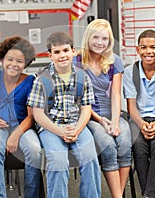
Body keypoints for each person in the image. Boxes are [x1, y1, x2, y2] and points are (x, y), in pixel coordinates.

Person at [28, 31, 101, 198]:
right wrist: (61, 132)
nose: (62, 55)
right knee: (59, 162)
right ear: (50, 55)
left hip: (77, 125)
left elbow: (86, 108)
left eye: (66, 50)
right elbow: (38, 115)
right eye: (57, 52)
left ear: (73, 51)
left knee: (90, 159)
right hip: (51, 128)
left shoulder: (82, 76)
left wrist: (76, 130)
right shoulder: (41, 79)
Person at [75, 18, 132, 198]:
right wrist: (102, 121)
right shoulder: (77, 61)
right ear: (88, 38)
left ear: (110, 41)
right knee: (108, 146)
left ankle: (118, 195)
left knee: (124, 144)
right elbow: (81, 101)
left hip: (113, 113)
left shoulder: (114, 61)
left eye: (105, 39)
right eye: (96, 38)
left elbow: (116, 95)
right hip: (90, 115)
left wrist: (115, 122)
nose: (100, 43)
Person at [0, 36, 42, 198]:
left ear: (26, 63)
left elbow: (31, 116)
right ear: (2, 59)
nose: (14, 65)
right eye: (9, 59)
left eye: (19, 61)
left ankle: (31, 195)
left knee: (35, 151)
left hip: (22, 127)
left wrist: (15, 135)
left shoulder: (31, 81)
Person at [123, 29, 155, 198]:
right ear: (137, 50)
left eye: (153, 47)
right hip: (138, 119)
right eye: (143, 48)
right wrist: (142, 124)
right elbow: (131, 106)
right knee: (139, 148)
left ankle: (149, 196)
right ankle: (149, 194)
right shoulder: (130, 71)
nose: (148, 51)